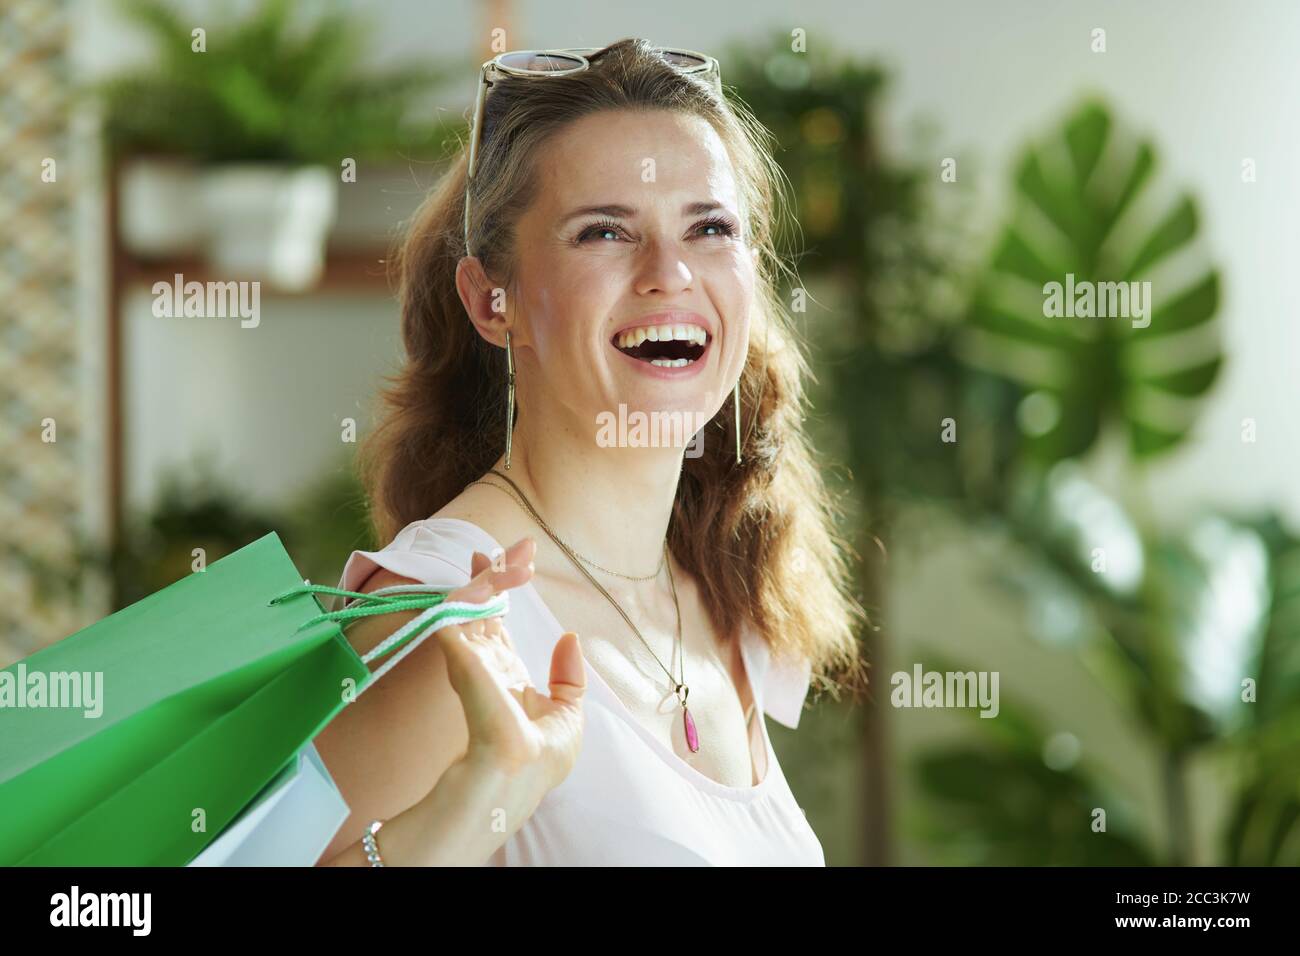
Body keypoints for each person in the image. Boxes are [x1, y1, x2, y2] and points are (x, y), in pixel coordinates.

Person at [315, 37, 866, 866]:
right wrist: (476, 796)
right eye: (604, 232)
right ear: (492, 302)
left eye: (710, 227)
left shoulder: (710, 589)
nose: (669, 272)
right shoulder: (447, 617)